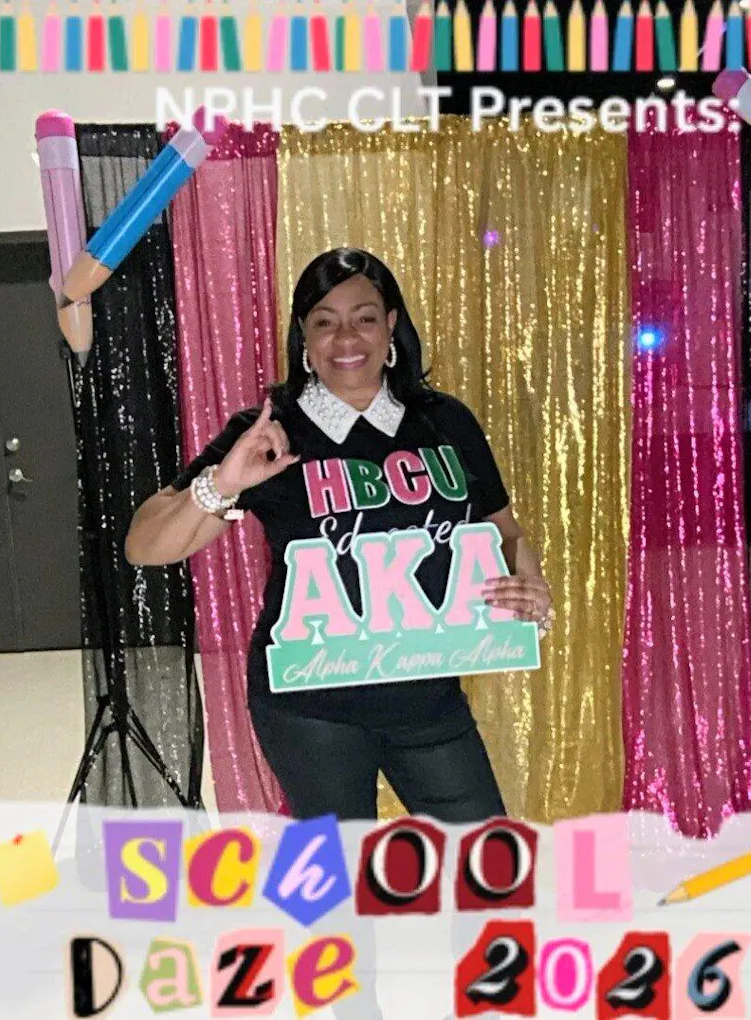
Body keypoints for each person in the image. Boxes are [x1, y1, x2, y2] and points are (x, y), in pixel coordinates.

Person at [125, 246, 553, 825]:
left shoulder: (444, 419)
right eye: (325, 322)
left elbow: (504, 532)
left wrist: (530, 586)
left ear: (392, 324)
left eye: (364, 318)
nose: (346, 338)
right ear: (303, 334)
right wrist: (224, 481)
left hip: (427, 694)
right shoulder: (272, 432)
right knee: (336, 876)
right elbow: (144, 545)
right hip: (311, 706)